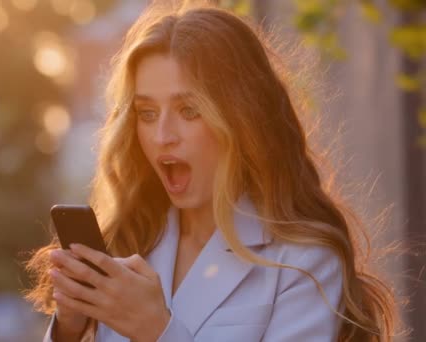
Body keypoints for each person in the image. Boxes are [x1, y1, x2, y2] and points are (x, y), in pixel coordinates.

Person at [24, 1, 398, 341]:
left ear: (242, 118)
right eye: (147, 114)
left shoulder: (304, 263)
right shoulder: (127, 244)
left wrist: (157, 330)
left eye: (189, 110)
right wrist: (69, 329)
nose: (162, 136)